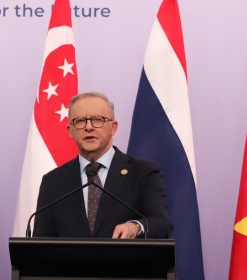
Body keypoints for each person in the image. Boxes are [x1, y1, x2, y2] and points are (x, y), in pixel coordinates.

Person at [32, 91, 171, 239]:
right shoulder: (53, 182)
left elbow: (161, 223)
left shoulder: (143, 172)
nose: (89, 127)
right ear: (70, 131)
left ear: (113, 127)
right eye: (80, 121)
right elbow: (40, 243)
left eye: (97, 119)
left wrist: (136, 226)